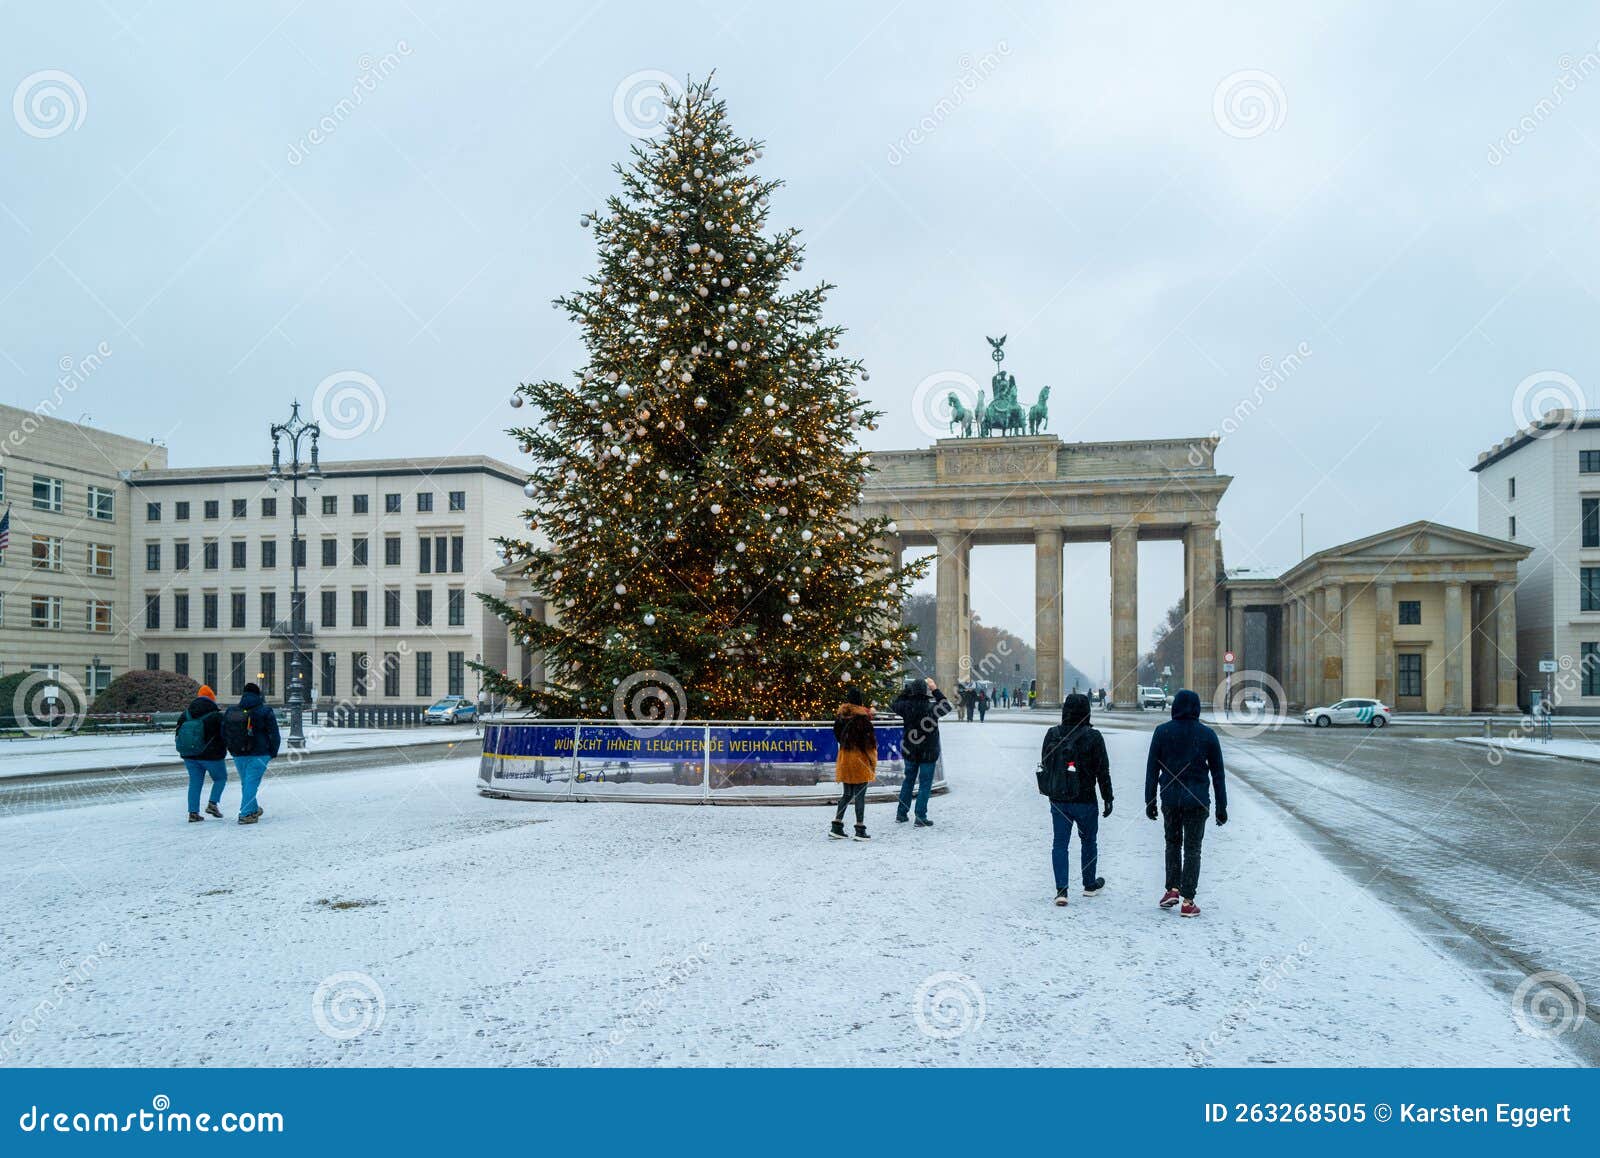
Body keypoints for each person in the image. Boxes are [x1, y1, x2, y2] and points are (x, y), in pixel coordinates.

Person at [1143, 688, 1228, 918]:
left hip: (1170, 798)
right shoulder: (1207, 735)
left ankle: (1172, 889)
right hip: (1198, 800)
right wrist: (1222, 806)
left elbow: (1152, 769)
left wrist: (1149, 800)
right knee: (1193, 849)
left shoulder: (1162, 732)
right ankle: (1188, 901)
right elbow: (1218, 774)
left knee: (1172, 843)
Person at [1038, 692, 1113, 906]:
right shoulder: (1094, 736)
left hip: (1059, 798)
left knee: (1059, 843)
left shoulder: (1052, 734)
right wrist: (1108, 797)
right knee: (1089, 840)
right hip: (1086, 798)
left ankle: (1062, 890)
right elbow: (1103, 771)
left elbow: (1045, 764)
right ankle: (1089, 884)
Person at [890, 676, 951, 827]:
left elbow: (894, 704)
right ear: (925, 691)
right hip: (928, 752)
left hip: (910, 750)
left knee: (908, 781)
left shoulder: (905, 706)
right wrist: (935, 689)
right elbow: (947, 706)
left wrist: (906, 691)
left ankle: (902, 813)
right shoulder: (932, 707)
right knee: (925, 784)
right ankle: (920, 816)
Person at [224, 681, 281, 825]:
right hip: (259, 753)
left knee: (247, 783)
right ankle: (246, 814)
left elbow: (224, 732)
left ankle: (253, 808)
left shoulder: (232, 711)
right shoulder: (265, 711)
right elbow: (274, 734)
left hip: (238, 753)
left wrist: (231, 748)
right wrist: (272, 752)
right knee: (251, 783)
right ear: (258, 694)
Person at [174, 684, 228, 822]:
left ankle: (193, 813)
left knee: (195, 782)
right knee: (220, 778)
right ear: (212, 699)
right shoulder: (216, 716)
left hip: (189, 755)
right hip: (212, 756)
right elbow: (224, 735)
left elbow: (178, 732)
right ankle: (212, 803)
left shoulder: (185, 714)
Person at [830, 686, 877, 841]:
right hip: (859, 760)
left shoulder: (841, 717)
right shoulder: (863, 720)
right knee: (860, 795)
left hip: (844, 758)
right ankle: (860, 829)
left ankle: (837, 826)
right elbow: (869, 745)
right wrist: (872, 762)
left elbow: (837, 735)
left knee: (847, 794)